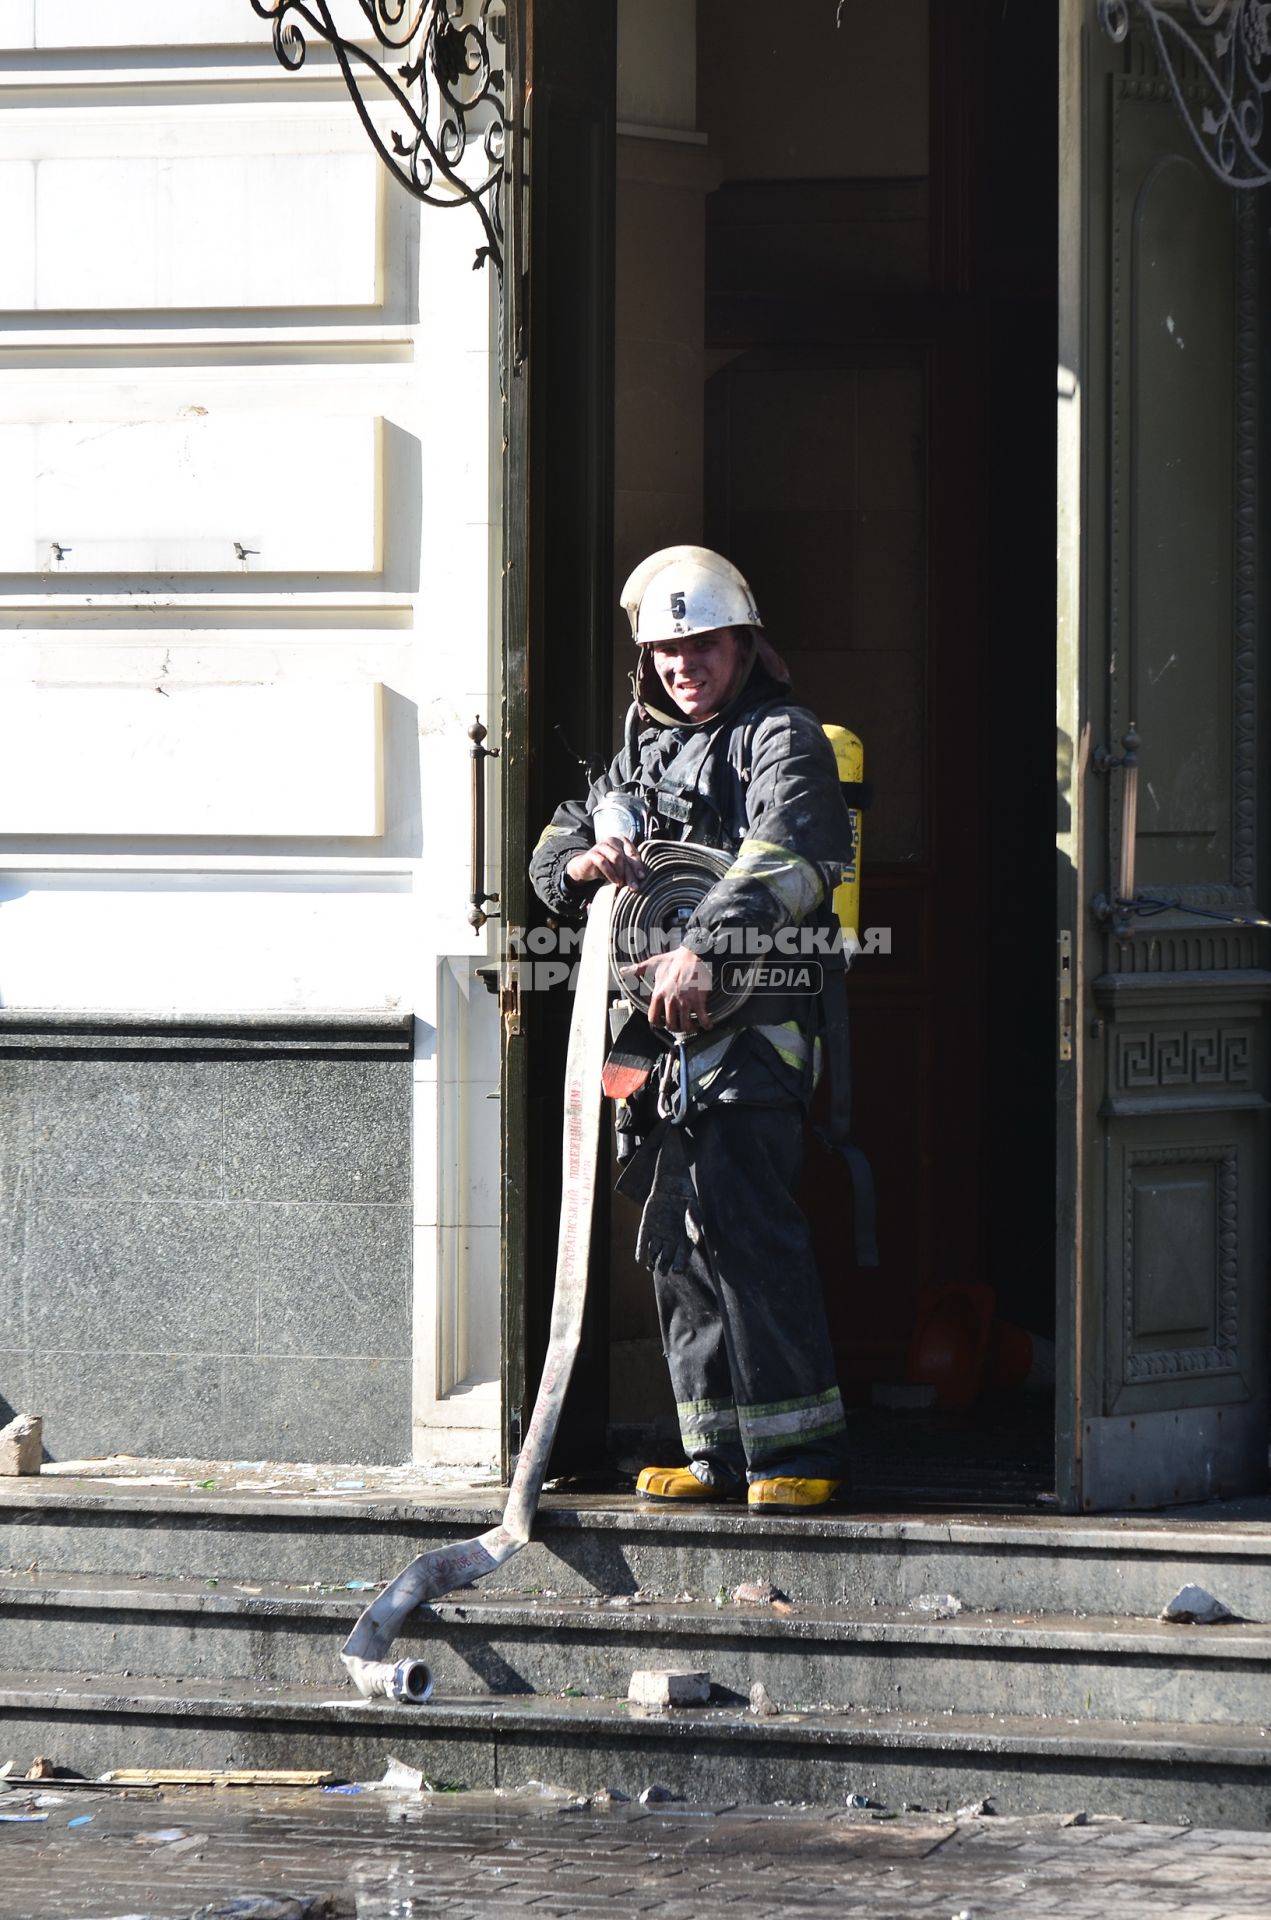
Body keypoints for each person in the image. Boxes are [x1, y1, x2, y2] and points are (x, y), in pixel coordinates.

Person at [529, 546, 859, 1514]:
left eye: (702, 647)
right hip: (652, 1051)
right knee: (674, 1241)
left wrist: (703, 952)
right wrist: (586, 859)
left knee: (746, 1228)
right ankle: (712, 1453)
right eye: (667, 653)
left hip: (753, 1041)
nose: (684, 667)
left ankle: (800, 1451)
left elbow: (787, 855)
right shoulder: (636, 753)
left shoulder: (781, 740)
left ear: (744, 646)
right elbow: (549, 858)